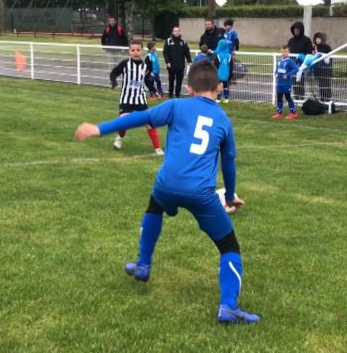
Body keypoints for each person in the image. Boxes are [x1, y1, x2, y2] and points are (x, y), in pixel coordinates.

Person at [73, 60, 258, 324]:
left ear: (188, 88)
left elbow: (143, 117)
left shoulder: (176, 105)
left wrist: (99, 128)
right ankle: (228, 306)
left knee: (155, 206)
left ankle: (143, 264)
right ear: (219, 87)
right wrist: (229, 196)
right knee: (229, 246)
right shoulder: (223, 120)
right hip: (201, 193)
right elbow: (228, 163)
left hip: (167, 185)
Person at [109, 40, 163, 155]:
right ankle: (119, 138)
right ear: (129, 51)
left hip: (140, 99)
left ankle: (157, 148)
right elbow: (113, 73)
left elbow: (147, 82)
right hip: (126, 99)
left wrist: (154, 91)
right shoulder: (125, 64)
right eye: (133, 50)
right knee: (125, 122)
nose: (135, 52)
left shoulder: (145, 67)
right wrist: (114, 82)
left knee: (149, 122)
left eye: (138, 50)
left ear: (142, 51)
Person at [163, 26, 192, 98]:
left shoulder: (183, 41)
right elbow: (165, 52)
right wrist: (167, 62)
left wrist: (189, 61)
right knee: (171, 79)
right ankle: (170, 94)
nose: (177, 32)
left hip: (180, 64)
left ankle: (177, 94)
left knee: (179, 80)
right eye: (175, 31)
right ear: (172, 32)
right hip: (171, 65)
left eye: (178, 31)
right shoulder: (168, 41)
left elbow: (187, 52)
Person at [273, 45, 300, 119]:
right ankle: (279, 113)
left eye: (285, 51)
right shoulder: (280, 60)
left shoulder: (290, 61)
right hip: (279, 83)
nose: (283, 53)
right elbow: (277, 68)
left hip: (286, 83)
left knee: (288, 97)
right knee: (279, 97)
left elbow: (296, 69)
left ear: (289, 52)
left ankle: (293, 113)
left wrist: (287, 75)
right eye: (282, 51)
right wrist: (275, 73)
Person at [287, 21, 314, 98]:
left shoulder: (306, 40)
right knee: (294, 82)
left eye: (298, 29)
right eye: (295, 29)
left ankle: (301, 98)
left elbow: (309, 53)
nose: (296, 31)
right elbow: (288, 51)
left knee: (300, 82)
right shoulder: (291, 40)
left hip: (302, 65)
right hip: (292, 64)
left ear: (301, 30)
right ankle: (296, 98)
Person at [312, 32, 333, 101]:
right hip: (318, 70)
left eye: (319, 39)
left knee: (326, 85)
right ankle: (322, 100)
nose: (317, 40)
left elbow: (330, 59)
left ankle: (328, 100)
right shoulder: (314, 48)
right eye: (316, 39)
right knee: (321, 86)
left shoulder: (327, 47)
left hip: (325, 70)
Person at [214, 37, 233, 103]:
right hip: (227, 74)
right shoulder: (229, 55)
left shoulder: (218, 55)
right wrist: (230, 74)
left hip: (219, 75)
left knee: (219, 86)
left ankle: (218, 98)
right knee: (226, 86)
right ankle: (226, 98)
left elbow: (215, 66)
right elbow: (231, 66)